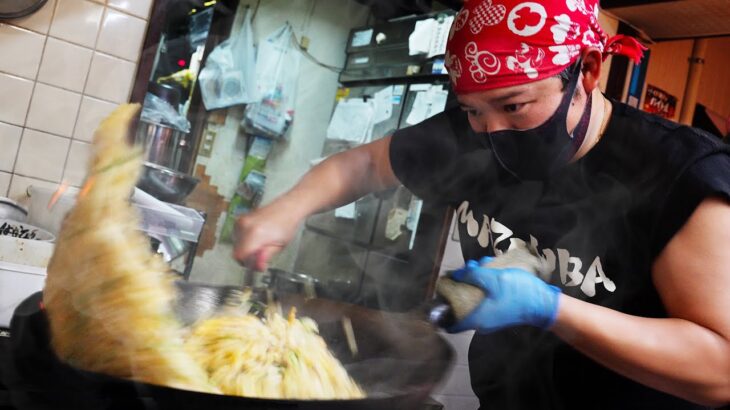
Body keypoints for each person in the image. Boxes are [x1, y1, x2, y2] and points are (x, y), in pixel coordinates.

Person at [233, 0, 730, 408]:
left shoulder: (680, 175)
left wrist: (551, 308)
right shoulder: (471, 134)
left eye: (515, 106)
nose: (490, 133)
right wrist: (285, 211)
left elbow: (720, 370)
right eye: (472, 110)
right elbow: (362, 165)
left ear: (589, 72)